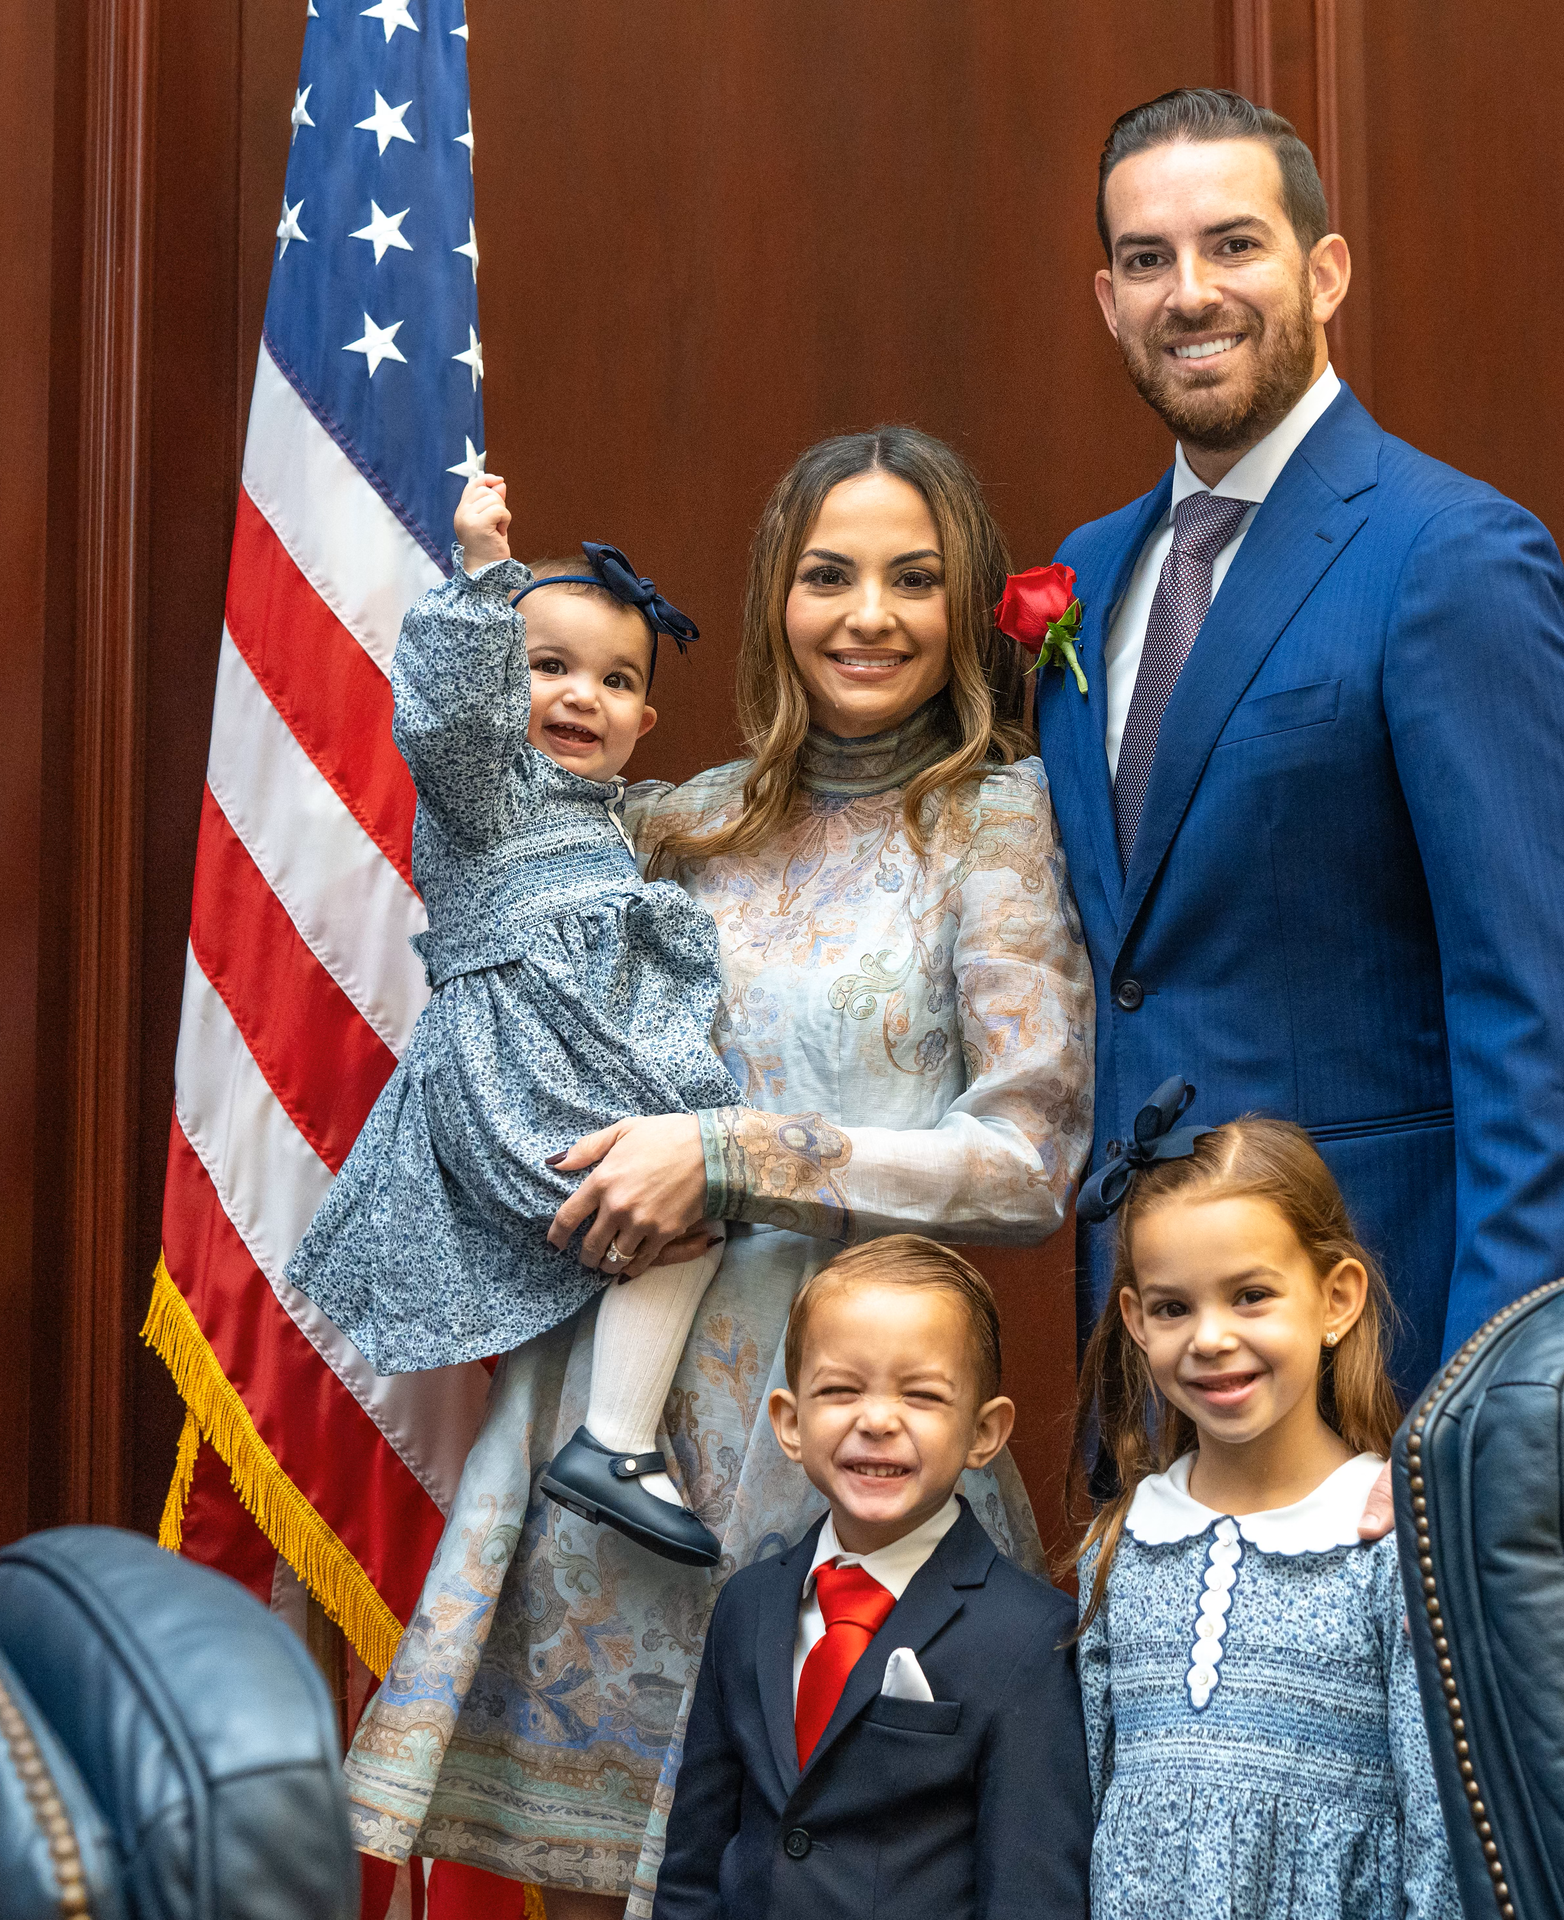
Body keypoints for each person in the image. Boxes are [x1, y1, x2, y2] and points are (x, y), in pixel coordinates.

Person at [343, 427, 1094, 1919]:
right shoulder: (676, 818)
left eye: (911, 578)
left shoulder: (994, 823)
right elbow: (480, 832)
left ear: (964, 608)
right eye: (827, 576)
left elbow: (1029, 1159)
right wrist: (489, 596)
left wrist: (739, 1154)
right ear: (772, 602)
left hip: (843, 1432)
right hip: (614, 1438)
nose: (866, 614)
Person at [1035, 88, 1564, 1402]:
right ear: (1107, 300)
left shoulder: (1452, 556)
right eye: (1148, 260)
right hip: (1147, 1365)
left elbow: (1547, 1025)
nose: (1189, 292)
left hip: (1383, 1349)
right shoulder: (1082, 575)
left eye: (1233, 245)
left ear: (1325, 270)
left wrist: (1486, 1397)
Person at [285, 472, 747, 1565]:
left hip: (562, 1058)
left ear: (646, 718)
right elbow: (447, 719)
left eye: (615, 679)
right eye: (549, 668)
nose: (582, 697)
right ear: (505, 681)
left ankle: (612, 1438)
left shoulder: (615, 818)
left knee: (690, 1205)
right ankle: (615, 1443)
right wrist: (486, 583)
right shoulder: (485, 784)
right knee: (678, 1211)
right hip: (514, 1063)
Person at [1068, 1079, 1460, 1920]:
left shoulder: (1388, 1546)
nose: (1211, 1338)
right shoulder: (1120, 1547)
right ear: (1137, 1322)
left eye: (1251, 1295)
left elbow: (1441, 1830)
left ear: (1336, 1299)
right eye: (1174, 1307)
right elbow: (1089, 1801)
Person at [653, 1237, 1092, 1919]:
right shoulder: (748, 1605)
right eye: (840, 1390)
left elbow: (1031, 1892)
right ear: (790, 1423)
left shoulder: (1031, 1637)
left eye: (921, 1395)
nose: (878, 1420)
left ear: (985, 1432)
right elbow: (695, 1859)